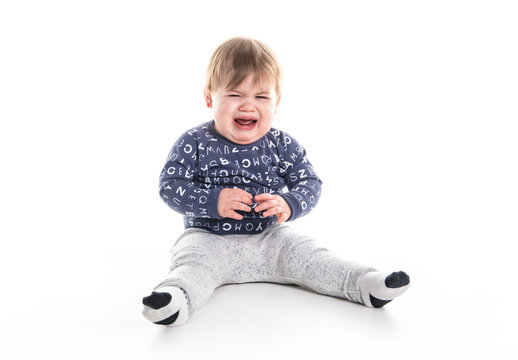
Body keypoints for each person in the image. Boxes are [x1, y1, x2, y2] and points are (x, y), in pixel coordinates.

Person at [142, 37, 410, 327]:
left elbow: (309, 182)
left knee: (310, 256)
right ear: (210, 98)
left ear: (277, 101)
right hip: (208, 238)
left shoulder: (281, 144)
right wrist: (212, 201)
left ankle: (365, 284)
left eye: (261, 97)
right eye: (234, 95)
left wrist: (288, 203)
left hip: (269, 239)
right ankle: (174, 299)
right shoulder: (194, 141)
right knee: (192, 265)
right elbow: (170, 185)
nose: (248, 105)